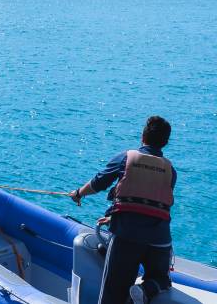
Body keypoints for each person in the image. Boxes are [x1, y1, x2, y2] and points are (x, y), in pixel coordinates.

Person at [69, 116, 176, 304]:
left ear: (143, 136)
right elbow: (152, 203)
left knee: (113, 291)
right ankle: (146, 289)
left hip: (127, 235)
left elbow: (99, 183)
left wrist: (79, 193)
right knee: (162, 279)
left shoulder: (126, 158)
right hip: (160, 239)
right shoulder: (170, 170)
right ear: (165, 143)